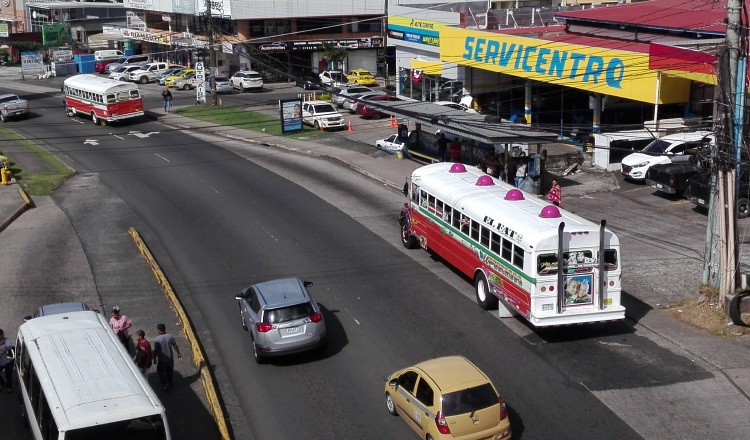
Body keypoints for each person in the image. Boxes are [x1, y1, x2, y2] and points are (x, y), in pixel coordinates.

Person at [153, 323, 182, 391]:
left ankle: (165, 384)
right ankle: (170, 383)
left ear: (159, 330)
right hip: (170, 359)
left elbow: (156, 350)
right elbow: (175, 345)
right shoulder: (170, 336)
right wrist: (178, 353)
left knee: (160, 372)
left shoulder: (157, 339)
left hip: (162, 360)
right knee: (170, 372)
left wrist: (154, 359)